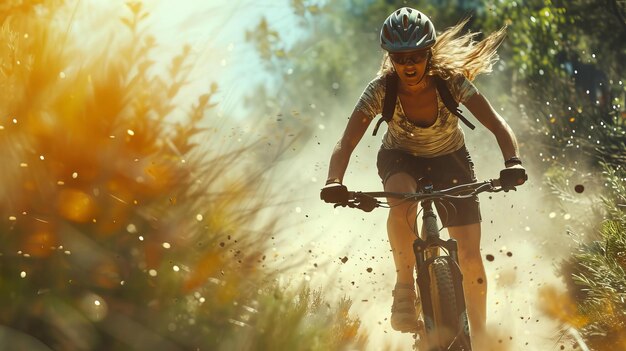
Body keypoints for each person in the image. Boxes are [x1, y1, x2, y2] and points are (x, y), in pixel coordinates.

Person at [320, 6, 527, 341]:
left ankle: (481, 337)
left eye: (416, 55)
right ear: (390, 58)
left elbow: (497, 124)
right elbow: (346, 142)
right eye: (400, 58)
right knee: (401, 199)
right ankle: (404, 287)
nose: (409, 65)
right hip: (400, 158)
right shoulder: (380, 90)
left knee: (471, 258)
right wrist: (334, 180)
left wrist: (512, 162)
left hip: (451, 160)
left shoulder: (451, 83)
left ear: (428, 53)